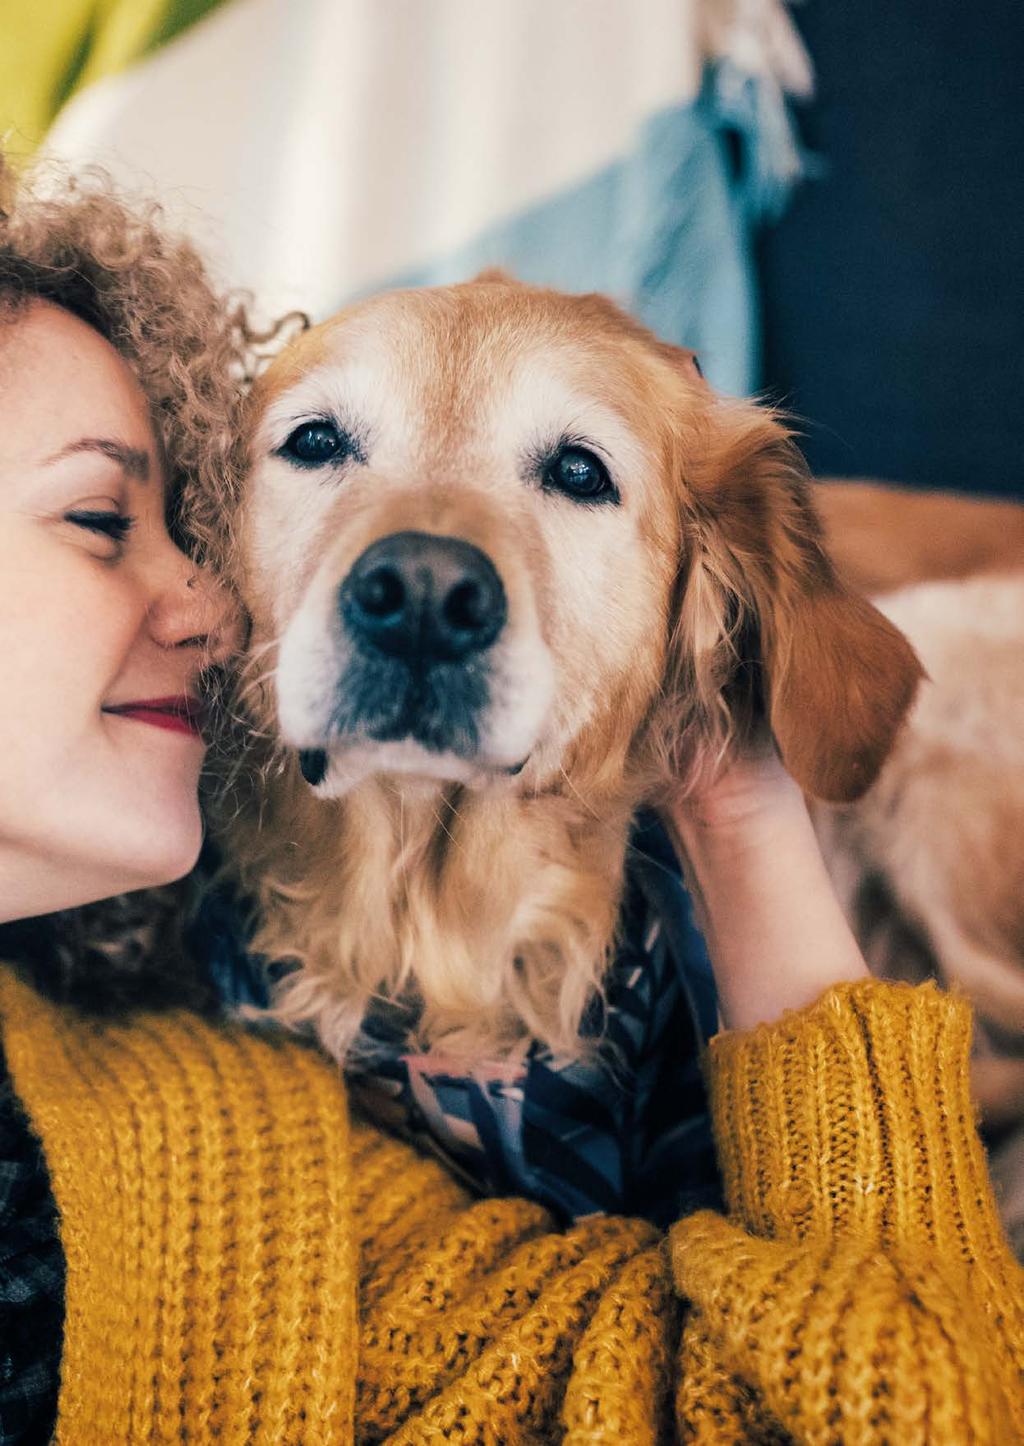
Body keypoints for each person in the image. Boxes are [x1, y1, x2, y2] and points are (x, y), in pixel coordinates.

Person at [0, 157, 1021, 1446]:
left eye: (576, 474)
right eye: (321, 445)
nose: (421, 564)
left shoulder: (224, 1147)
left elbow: (911, 1395)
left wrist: (736, 782)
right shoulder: (199, 1117)